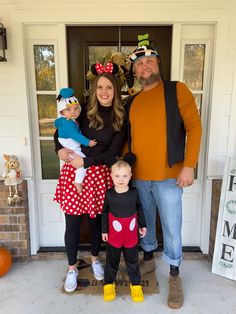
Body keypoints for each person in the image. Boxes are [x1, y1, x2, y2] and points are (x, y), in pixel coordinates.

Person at [127, 34, 202, 309]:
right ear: (134, 71)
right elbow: (129, 139)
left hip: (170, 177)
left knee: (171, 228)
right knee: (145, 224)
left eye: (149, 62)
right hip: (139, 177)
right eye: (140, 64)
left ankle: (174, 275)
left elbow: (194, 127)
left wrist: (189, 165)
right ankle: (148, 261)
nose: (145, 67)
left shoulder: (176, 90)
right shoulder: (133, 102)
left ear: (158, 64)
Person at [53, 63, 127, 293]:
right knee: (73, 223)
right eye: (100, 87)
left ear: (115, 91)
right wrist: (59, 149)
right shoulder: (81, 109)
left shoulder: (120, 118)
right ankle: (72, 267)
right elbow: (60, 131)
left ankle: (95, 260)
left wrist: (86, 162)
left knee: (95, 222)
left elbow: (112, 153)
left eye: (109, 88)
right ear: (94, 90)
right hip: (73, 171)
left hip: (97, 173)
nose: (104, 92)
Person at [102, 159, 146, 302]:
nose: (121, 179)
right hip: (114, 236)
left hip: (131, 235)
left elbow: (139, 208)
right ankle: (108, 283)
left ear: (130, 176)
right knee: (112, 261)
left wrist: (142, 224)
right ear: (111, 176)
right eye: (117, 176)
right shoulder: (109, 194)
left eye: (124, 176)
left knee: (132, 262)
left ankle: (136, 285)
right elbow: (104, 212)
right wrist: (104, 231)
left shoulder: (134, 192)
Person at [55, 87, 97, 193]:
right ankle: (78, 181)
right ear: (62, 111)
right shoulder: (68, 123)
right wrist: (88, 142)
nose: (73, 112)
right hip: (71, 147)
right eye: (68, 109)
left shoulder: (68, 120)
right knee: (82, 162)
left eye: (76, 108)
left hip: (71, 145)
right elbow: (75, 135)